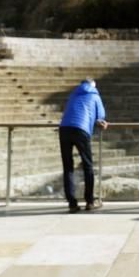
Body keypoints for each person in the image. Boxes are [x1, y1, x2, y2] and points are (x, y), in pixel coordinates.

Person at [58, 78, 109, 213]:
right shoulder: (94, 95)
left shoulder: (73, 94)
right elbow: (101, 116)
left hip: (64, 129)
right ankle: (90, 201)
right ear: (93, 86)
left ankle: (72, 204)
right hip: (81, 129)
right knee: (88, 165)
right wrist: (100, 122)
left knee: (68, 167)